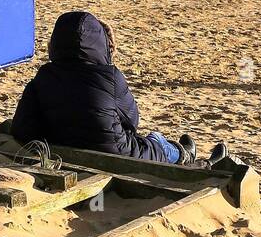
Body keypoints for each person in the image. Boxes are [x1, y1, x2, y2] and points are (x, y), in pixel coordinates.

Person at [11, 11, 225, 164]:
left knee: (146, 140)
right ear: (100, 46)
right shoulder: (109, 77)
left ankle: (180, 151)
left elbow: (22, 126)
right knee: (155, 142)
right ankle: (183, 154)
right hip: (114, 153)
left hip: (58, 148)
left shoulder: (43, 77)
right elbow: (132, 121)